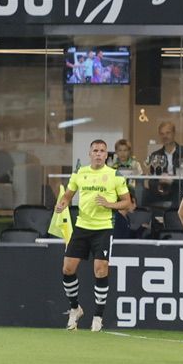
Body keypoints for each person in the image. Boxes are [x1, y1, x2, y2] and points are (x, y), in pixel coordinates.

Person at [54, 138, 133, 332]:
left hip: (104, 227)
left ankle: (98, 316)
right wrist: (62, 203)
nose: (98, 154)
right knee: (68, 269)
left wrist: (109, 204)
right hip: (82, 226)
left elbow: (127, 203)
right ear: (89, 154)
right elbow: (68, 195)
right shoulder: (80, 173)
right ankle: (75, 308)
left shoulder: (115, 175)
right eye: (95, 150)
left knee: (100, 269)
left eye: (102, 151)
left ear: (107, 155)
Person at [143, 120, 183, 209]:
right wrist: (160, 184)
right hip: (160, 190)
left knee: (180, 192)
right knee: (144, 192)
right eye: (162, 134)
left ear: (174, 133)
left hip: (179, 188)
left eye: (168, 133)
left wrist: (172, 180)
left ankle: (173, 219)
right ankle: (146, 220)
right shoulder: (155, 155)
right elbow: (152, 179)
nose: (165, 136)